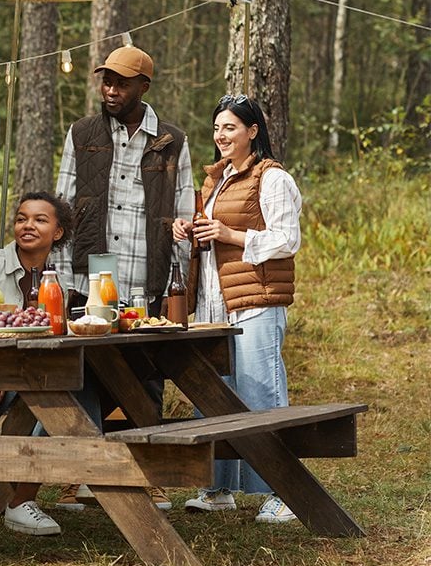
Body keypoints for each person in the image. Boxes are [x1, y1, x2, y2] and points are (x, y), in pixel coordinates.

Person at [53, 44, 194, 511]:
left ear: (144, 87)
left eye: (121, 82)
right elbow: (64, 204)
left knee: (147, 375)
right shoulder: (83, 133)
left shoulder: (171, 139)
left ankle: (145, 476)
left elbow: (184, 210)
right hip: (97, 268)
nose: (110, 90)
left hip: (148, 272)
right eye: (105, 81)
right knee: (87, 372)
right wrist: (61, 272)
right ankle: (84, 477)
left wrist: (180, 276)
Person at [172, 94, 302, 524]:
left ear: (253, 131)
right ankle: (218, 488)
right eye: (216, 128)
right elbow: (213, 239)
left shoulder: (272, 177)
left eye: (230, 127)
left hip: (256, 301)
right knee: (215, 393)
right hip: (214, 302)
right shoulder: (217, 179)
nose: (221, 136)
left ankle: (285, 492)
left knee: (261, 392)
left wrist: (231, 233)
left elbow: (287, 238)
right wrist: (188, 229)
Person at [0, 191, 76, 537]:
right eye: (22, 218)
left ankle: (21, 500)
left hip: (32, 376)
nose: (28, 225)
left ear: (58, 232)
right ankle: (15, 498)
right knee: (48, 399)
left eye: (40, 219)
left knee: (72, 397)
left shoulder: (60, 278)